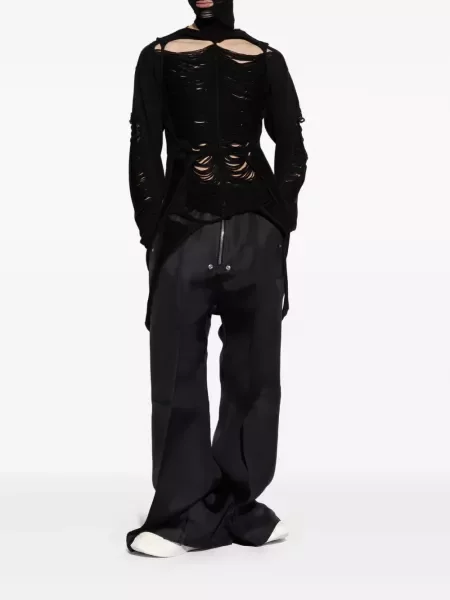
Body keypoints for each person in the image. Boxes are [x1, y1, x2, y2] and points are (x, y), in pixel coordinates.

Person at [126, 0, 308, 557]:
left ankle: (241, 503)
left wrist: (278, 220)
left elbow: (293, 147)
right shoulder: (157, 57)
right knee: (176, 371)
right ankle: (180, 512)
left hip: (256, 237)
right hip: (184, 234)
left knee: (256, 376)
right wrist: (155, 232)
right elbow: (143, 150)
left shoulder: (267, 58)